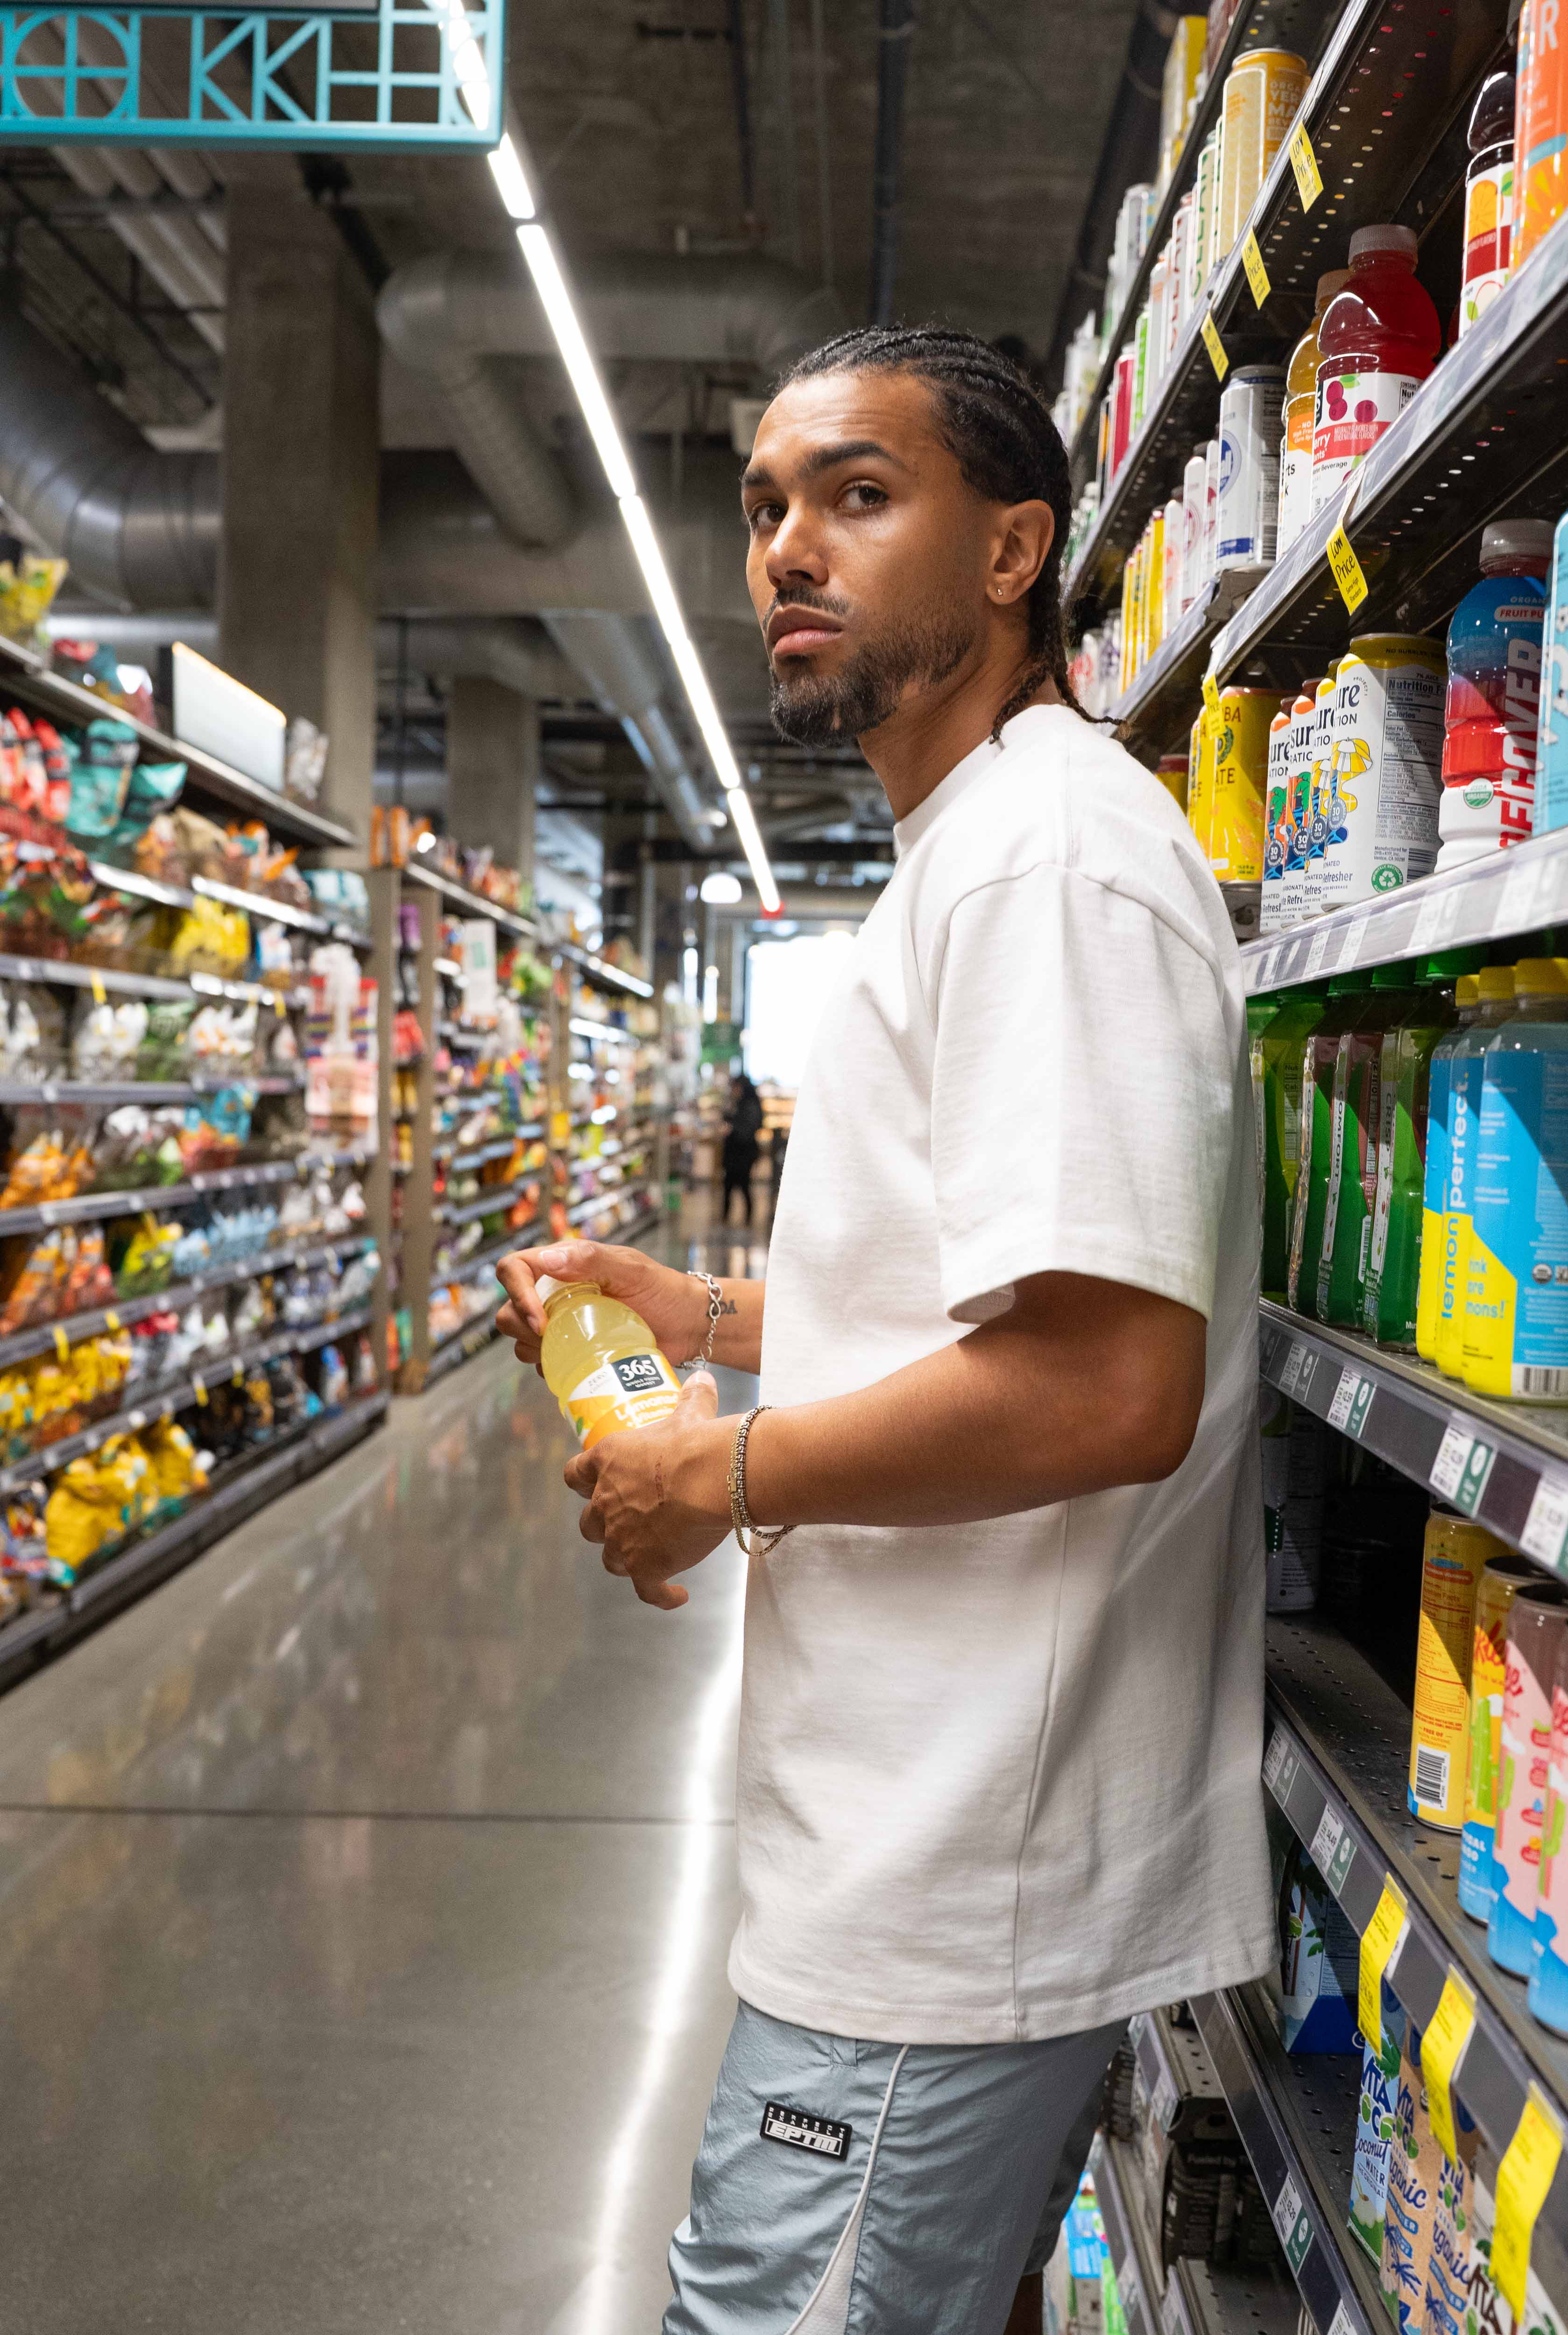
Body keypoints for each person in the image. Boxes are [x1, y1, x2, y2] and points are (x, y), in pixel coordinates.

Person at [496, 325, 1269, 2335]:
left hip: (947, 1880)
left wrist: (719, 1467)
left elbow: (1108, 1377)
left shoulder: (1045, 862)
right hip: (907, 1830)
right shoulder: (971, 857)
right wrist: (709, 1314)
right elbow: (981, 1291)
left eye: (855, 492)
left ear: (1011, 549)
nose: (785, 550)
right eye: (763, 507)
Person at [721, 1070, 764, 1226]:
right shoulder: (739, 1102)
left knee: (744, 1185)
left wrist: (733, 1128)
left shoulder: (750, 1105)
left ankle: (748, 1217)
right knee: (729, 1186)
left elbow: (749, 1128)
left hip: (743, 1153)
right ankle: (726, 1216)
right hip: (735, 1152)